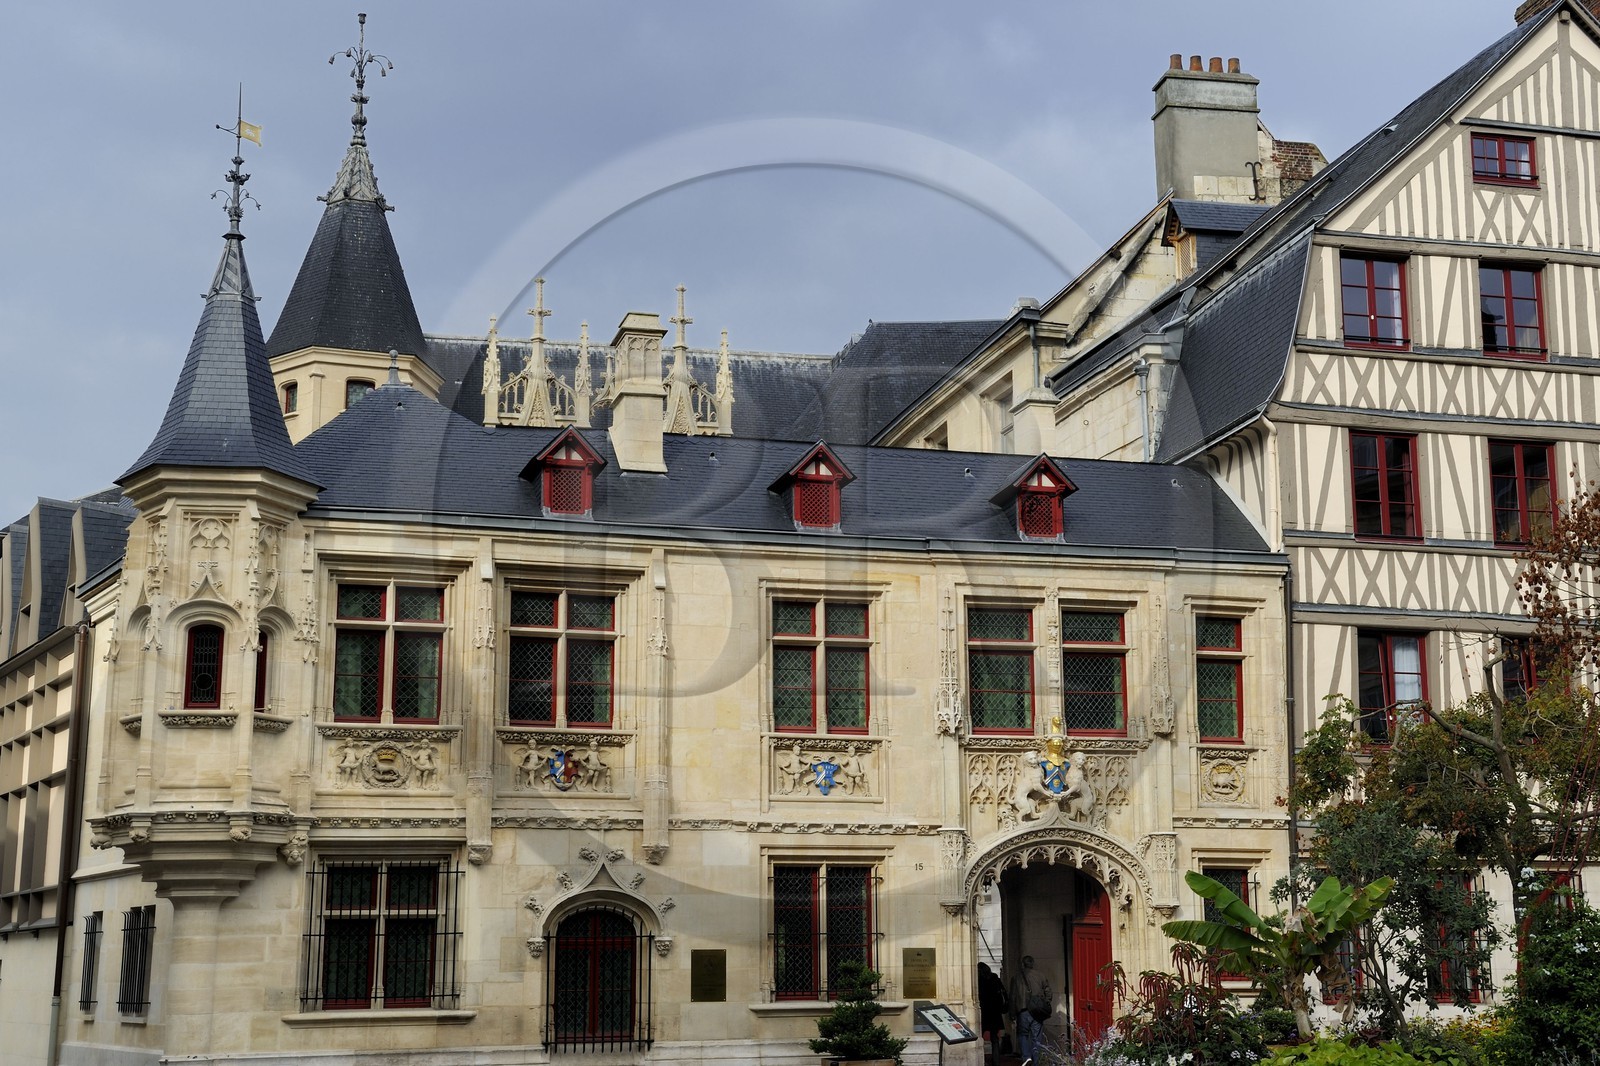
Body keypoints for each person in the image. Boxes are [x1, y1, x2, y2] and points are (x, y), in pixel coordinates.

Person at [1010, 954, 1050, 1062]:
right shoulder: (1041, 975)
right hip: (1037, 1011)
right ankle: (1036, 1061)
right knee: (1036, 1037)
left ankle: (1026, 1057)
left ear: (1023, 964)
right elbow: (1048, 993)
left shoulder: (1016, 977)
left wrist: (1012, 1014)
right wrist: (1044, 1004)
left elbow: (1013, 997)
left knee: (1022, 1035)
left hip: (1023, 1011)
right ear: (1032, 964)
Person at [977, 962, 1008, 1063]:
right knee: (994, 1039)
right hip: (995, 1011)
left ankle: (981, 1060)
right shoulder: (994, 978)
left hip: (983, 1011)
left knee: (979, 1036)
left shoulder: (979, 980)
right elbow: (1002, 992)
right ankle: (996, 1061)